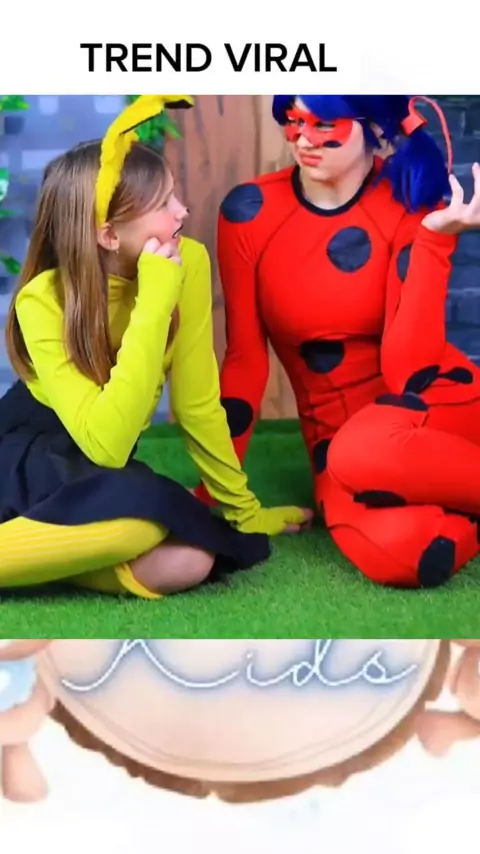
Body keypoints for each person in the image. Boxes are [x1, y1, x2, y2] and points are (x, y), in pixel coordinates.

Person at [0, 94, 311, 600]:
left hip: (99, 466)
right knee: (141, 519)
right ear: (108, 235)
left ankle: (43, 560)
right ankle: (48, 545)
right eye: (163, 204)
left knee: (192, 558)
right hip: (30, 456)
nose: (183, 211)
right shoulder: (43, 300)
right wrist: (153, 302)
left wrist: (244, 511)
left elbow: (197, 405)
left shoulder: (187, 261)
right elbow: (105, 443)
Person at [196, 94, 480, 589]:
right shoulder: (249, 213)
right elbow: (244, 360)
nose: (303, 139)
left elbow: (408, 372)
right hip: (340, 448)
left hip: (436, 411)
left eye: (325, 123)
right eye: (292, 120)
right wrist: (213, 491)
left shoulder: (410, 201)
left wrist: (435, 239)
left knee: (363, 449)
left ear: (374, 128)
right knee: (407, 554)